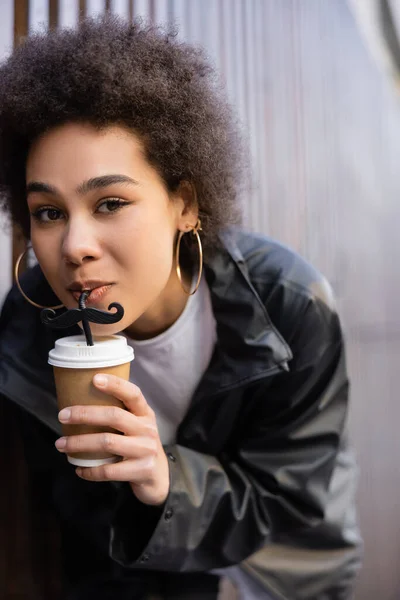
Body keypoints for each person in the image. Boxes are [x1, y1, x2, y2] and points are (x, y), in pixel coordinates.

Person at [0, 16, 362, 600]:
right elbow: (79, 520)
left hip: (280, 578)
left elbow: (289, 497)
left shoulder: (288, 306)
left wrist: (168, 478)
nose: (74, 246)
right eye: (49, 211)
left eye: (111, 201)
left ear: (184, 205)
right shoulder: (25, 332)